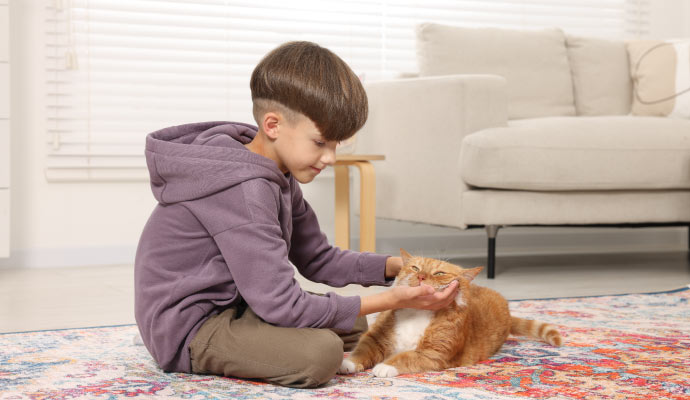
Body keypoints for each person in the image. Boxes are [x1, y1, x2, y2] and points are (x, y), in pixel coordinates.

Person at [134, 41, 460, 388]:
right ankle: (223, 352)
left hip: (240, 307)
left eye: (337, 144)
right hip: (189, 329)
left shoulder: (279, 175)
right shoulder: (243, 190)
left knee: (355, 325)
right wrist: (391, 299)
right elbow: (281, 305)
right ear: (273, 124)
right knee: (321, 353)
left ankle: (270, 343)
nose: (330, 158)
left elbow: (317, 258)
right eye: (320, 143)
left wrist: (392, 267)